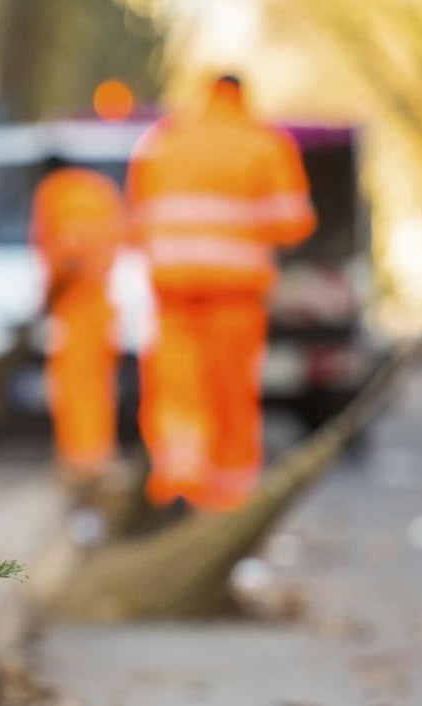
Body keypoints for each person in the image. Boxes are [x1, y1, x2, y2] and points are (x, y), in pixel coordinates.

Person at [127, 74, 315, 513]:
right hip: (234, 301)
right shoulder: (263, 144)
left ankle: (179, 486)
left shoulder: (163, 141)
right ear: (242, 97)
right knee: (230, 399)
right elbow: (293, 223)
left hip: (173, 298)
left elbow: (137, 220)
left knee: (177, 393)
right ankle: (228, 506)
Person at [31, 161, 128, 484]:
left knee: (75, 386)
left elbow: (64, 254)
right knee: (98, 384)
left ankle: (82, 461)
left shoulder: (56, 193)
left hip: (75, 305)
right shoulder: (100, 191)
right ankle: (97, 453)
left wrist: (47, 296)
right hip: (103, 301)